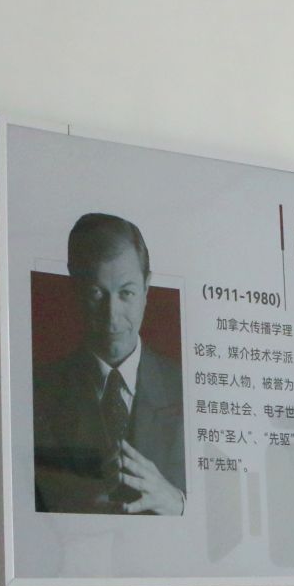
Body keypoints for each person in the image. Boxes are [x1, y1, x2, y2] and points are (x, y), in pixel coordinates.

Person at [32, 212, 186, 515]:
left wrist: (177, 502)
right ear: (75, 289)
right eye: (96, 293)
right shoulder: (38, 390)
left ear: (147, 288)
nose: (111, 315)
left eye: (126, 293)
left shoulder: (185, 385)